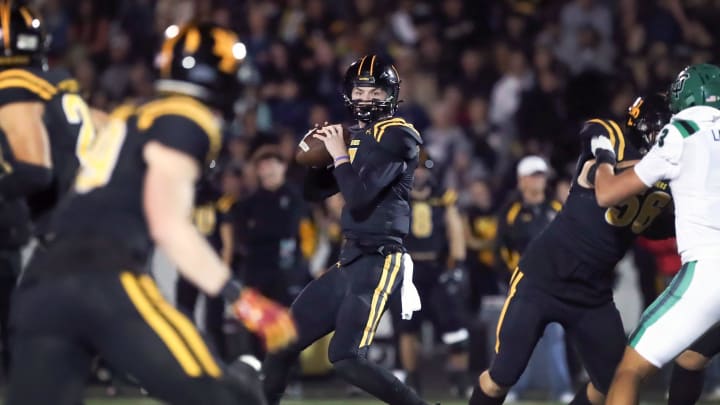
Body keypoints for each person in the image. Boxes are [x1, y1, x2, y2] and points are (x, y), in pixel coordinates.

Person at [6, 22, 296, 405]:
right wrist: (241, 299)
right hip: (108, 279)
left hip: (41, 283)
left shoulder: (128, 114)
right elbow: (169, 224)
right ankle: (244, 374)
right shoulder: (186, 117)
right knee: (225, 398)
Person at [468, 94, 674, 405]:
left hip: (593, 294)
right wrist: (647, 166)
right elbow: (594, 133)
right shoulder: (615, 142)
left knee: (613, 384)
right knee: (502, 376)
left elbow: (659, 226)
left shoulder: (668, 179)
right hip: (543, 279)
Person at [263, 54, 427, 405]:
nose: (365, 98)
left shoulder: (400, 134)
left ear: (391, 95)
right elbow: (313, 193)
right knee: (282, 340)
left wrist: (338, 154)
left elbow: (359, 198)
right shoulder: (359, 136)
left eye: (374, 91)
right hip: (350, 259)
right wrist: (318, 162)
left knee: (346, 357)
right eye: (359, 90)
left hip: (380, 259)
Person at [593, 64, 720, 405]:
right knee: (691, 358)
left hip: (711, 269)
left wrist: (603, 158)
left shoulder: (681, 129)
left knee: (629, 370)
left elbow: (608, 194)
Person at [0, 1, 103, 377]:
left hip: (66, 228)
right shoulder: (57, 84)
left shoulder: (13, 87)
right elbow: (109, 126)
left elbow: (34, 171)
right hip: (96, 218)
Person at [388, 150, 470, 397]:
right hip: (407, 269)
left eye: (425, 167)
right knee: (406, 328)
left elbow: (455, 230)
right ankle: (412, 383)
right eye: (416, 167)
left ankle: (460, 382)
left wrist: (456, 265)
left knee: (455, 329)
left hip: (436, 268)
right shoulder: (396, 196)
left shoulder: (444, 197)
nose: (420, 172)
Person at [494, 155, 572, 403]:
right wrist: (512, 276)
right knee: (518, 337)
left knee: (556, 338)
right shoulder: (512, 211)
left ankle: (561, 388)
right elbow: (500, 248)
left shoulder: (557, 208)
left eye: (540, 175)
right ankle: (513, 387)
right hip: (523, 284)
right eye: (533, 175)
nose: (538, 180)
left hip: (554, 283)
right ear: (521, 180)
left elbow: (569, 245)